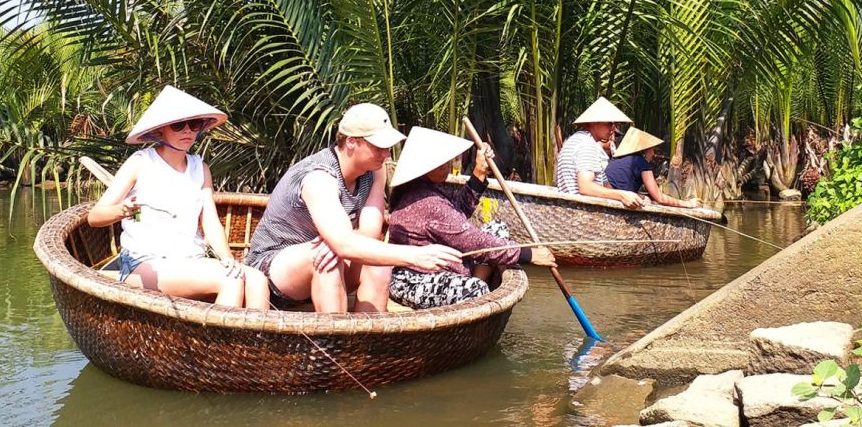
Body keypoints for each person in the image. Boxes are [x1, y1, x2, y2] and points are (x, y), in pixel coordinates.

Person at [245, 104, 462, 313]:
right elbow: (344, 245)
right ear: (351, 142)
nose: (386, 154)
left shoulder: (375, 171)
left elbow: (369, 232)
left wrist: (340, 242)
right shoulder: (319, 178)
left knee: (377, 262)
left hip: (329, 257)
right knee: (326, 258)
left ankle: (366, 342)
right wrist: (415, 256)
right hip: (274, 270)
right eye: (378, 147)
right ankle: (336, 344)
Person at [88, 86, 269, 309]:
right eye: (178, 125)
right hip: (143, 261)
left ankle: (249, 343)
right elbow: (95, 217)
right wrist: (122, 210)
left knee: (257, 281)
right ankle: (215, 344)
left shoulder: (200, 168)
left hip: (191, 260)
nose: (187, 131)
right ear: (161, 129)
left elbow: (210, 221)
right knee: (231, 281)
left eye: (193, 125)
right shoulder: (140, 163)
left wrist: (227, 258)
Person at [387, 127, 556, 309]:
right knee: (476, 290)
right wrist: (528, 254)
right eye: (442, 162)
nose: (449, 165)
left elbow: (456, 214)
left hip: (445, 267)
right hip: (413, 279)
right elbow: (475, 243)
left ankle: (476, 279)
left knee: (497, 228)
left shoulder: (429, 189)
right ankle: (476, 289)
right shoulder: (425, 200)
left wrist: (480, 172)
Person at [554, 97, 644, 208]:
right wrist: (621, 195)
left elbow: (606, 186)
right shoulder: (587, 144)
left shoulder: (578, 139)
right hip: (581, 212)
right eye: (609, 124)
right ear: (593, 123)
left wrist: (633, 195)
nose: (613, 128)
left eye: (614, 124)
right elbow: (585, 187)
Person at [605, 127, 701, 208]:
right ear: (644, 150)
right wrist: (688, 204)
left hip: (608, 194)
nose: (654, 154)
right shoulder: (641, 163)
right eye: (652, 150)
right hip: (618, 197)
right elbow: (659, 198)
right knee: (647, 200)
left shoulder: (615, 159)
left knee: (644, 197)